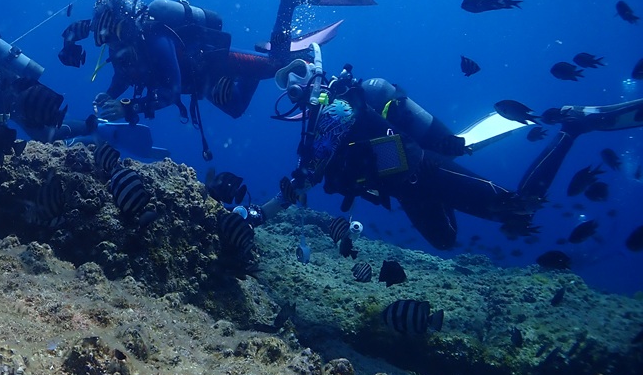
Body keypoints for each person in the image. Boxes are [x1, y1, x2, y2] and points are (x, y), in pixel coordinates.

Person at [266, 44, 643, 250]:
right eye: (287, 83)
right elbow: (314, 174)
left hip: (423, 169)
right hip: (406, 188)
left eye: (299, 76)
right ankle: (453, 191)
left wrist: (261, 213)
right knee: (445, 241)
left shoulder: (338, 108)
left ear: (316, 72)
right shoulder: (318, 128)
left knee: (517, 210)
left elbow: (310, 174)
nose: (295, 88)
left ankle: (571, 128)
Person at [58, 0, 376, 159]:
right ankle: (264, 61)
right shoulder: (121, 50)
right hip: (201, 85)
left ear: (124, 24)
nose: (111, 45)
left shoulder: (154, 39)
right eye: (105, 39)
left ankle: (288, 1)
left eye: (113, 34)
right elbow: (121, 81)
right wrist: (97, 112)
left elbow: (171, 91)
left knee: (277, 66)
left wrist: (129, 107)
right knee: (236, 108)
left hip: (213, 63)